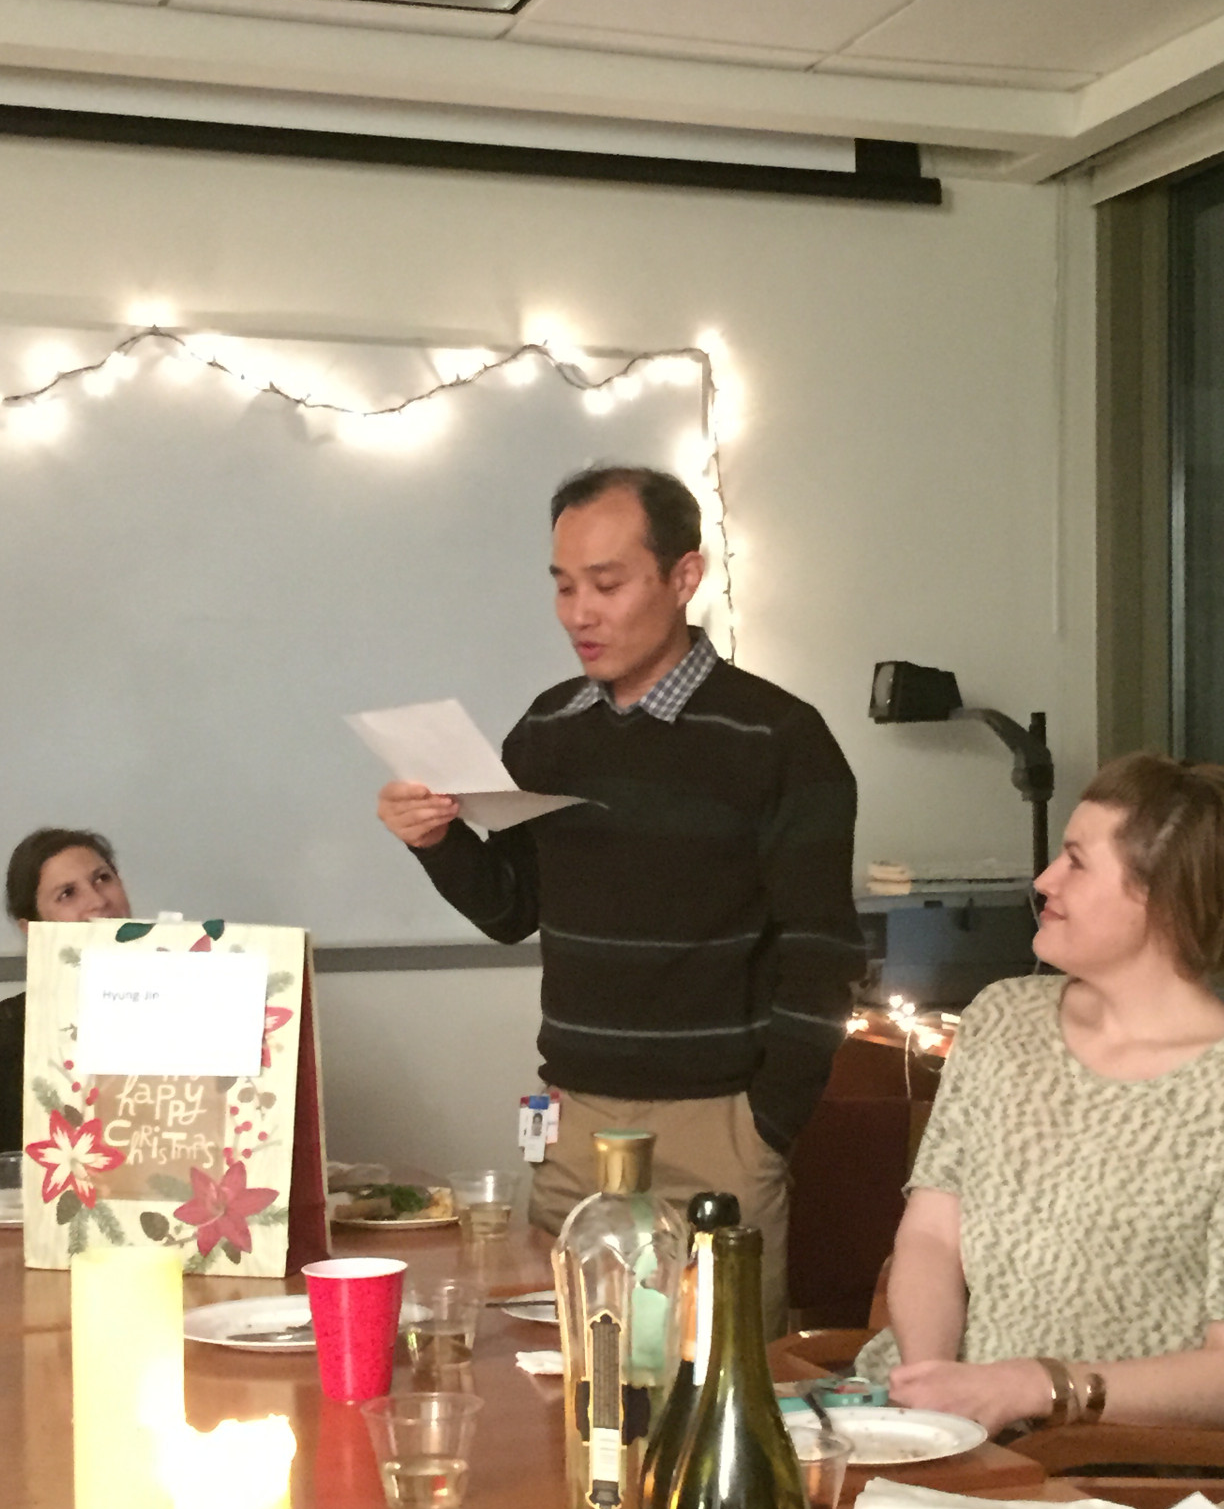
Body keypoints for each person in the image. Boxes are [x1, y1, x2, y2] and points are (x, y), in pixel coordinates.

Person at [377, 465, 863, 1333]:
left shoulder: (778, 738)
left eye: (606, 584)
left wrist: (767, 1126)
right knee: (564, 1371)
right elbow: (511, 910)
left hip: (719, 1128)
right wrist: (436, 841)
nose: (579, 613)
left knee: (717, 1376)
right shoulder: (550, 728)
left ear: (684, 577)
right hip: (574, 1125)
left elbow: (822, 952)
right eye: (564, 586)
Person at [856, 753, 1224, 1433]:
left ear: (1165, 898)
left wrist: (1035, 1388)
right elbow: (932, 1238)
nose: (1044, 880)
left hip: (1103, 1464)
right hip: (938, 1428)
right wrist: (937, 1389)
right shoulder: (1002, 1017)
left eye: (1077, 862)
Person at [1, 829, 131, 1152]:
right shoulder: (7, 1035)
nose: (98, 901)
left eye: (103, 878)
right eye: (67, 894)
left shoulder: (195, 1006)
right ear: (32, 929)